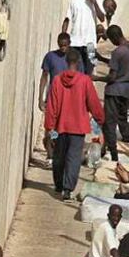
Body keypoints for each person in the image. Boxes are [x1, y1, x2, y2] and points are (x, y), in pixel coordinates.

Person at [45, 49, 105, 200]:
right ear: (78, 62)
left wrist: (49, 128)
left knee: (59, 156)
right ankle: (67, 188)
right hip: (78, 127)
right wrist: (100, 119)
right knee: (73, 158)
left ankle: (58, 184)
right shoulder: (85, 81)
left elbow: (52, 106)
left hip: (60, 126)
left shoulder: (58, 80)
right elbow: (93, 103)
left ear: (66, 62)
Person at [93, 25, 129, 161]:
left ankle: (114, 155)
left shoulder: (117, 52)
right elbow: (120, 64)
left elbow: (112, 77)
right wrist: (102, 59)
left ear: (114, 37)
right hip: (127, 91)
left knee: (109, 123)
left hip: (114, 91)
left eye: (111, 39)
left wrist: (96, 78)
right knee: (123, 121)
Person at [62, 0, 105, 75]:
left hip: (90, 43)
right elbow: (67, 19)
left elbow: (102, 18)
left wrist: (94, 3)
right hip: (75, 42)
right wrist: (63, 35)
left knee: (89, 71)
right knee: (75, 71)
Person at [38, 33, 83, 112]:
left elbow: (81, 78)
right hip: (54, 97)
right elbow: (44, 77)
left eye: (65, 45)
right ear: (58, 43)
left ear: (69, 43)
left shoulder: (76, 57)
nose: (63, 48)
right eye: (61, 45)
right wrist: (40, 99)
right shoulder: (50, 56)